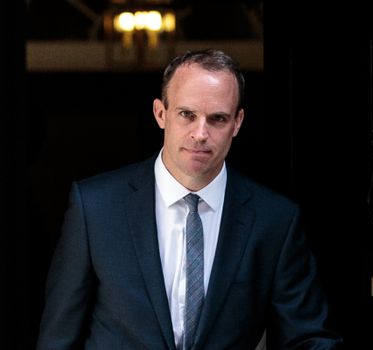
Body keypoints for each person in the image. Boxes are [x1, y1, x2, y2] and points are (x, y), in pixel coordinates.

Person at [36, 49, 342, 349]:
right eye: (187, 114)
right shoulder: (95, 207)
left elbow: (308, 336)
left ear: (237, 123)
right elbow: (59, 337)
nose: (200, 133)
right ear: (160, 113)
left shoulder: (274, 220)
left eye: (218, 119)